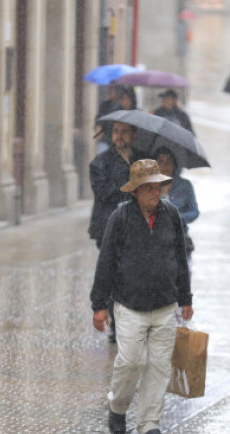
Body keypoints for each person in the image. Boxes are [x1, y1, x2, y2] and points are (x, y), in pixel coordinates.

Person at [91, 159, 194, 434]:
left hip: (164, 305)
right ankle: (118, 405)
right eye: (147, 188)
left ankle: (149, 424)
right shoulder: (120, 217)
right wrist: (99, 305)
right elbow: (106, 262)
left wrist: (185, 298)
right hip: (129, 305)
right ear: (135, 191)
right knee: (131, 361)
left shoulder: (171, 215)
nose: (154, 192)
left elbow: (180, 259)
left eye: (157, 186)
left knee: (159, 367)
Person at [88, 121, 145, 342]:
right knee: (113, 275)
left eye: (124, 132)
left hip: (137, 228)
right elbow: (103, 192)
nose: (119, 136)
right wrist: (130, 187)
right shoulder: (100, 163)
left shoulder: (143, 160)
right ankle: (117, 324)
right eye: (116, 132)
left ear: (133, 135)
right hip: (108, 227)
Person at [152, 147, 199, 261]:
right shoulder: (147, 187)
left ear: (174, 166)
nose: (165, 166)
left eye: (169, 162)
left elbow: (194, 211)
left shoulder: (185, 185)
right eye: (161, 162)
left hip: (179, 241)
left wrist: (178, 218)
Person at [94, 83, 122, 154]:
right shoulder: (105, 105)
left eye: (112, 91)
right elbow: (99, 119)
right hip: (105, 139)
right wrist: (98, 128)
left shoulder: (121, 106)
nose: (110, 93)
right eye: (109, 90)